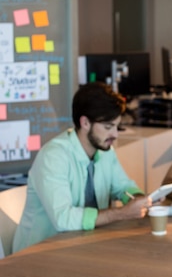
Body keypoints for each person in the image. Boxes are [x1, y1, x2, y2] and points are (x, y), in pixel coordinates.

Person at [13, 82, 151, 253]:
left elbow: (122, 187)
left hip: (81, 246)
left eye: (117, 126)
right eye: (108, 127)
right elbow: (63, 219)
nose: (115, 135)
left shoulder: (105, 150)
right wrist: (121, 213)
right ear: (85, 123)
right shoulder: (54, 156)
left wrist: (137, 199)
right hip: (38, 255)